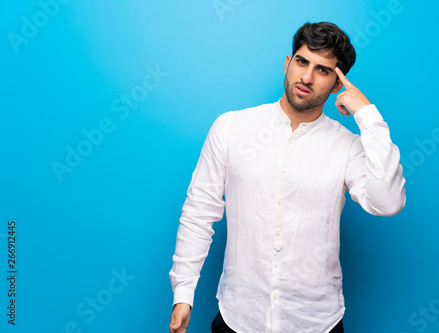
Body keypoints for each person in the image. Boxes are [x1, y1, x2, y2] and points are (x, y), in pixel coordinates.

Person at [169, 22, 406, 333]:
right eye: (302, 61)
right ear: (288, 62)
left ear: (337, 84)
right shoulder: (231, 128)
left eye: (322, 70)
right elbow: (199, 211)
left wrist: (367, 115)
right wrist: (183, 293)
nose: (306, 77)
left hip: (316, 322)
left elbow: (387, 203)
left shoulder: (348, 147)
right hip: (239, 318)